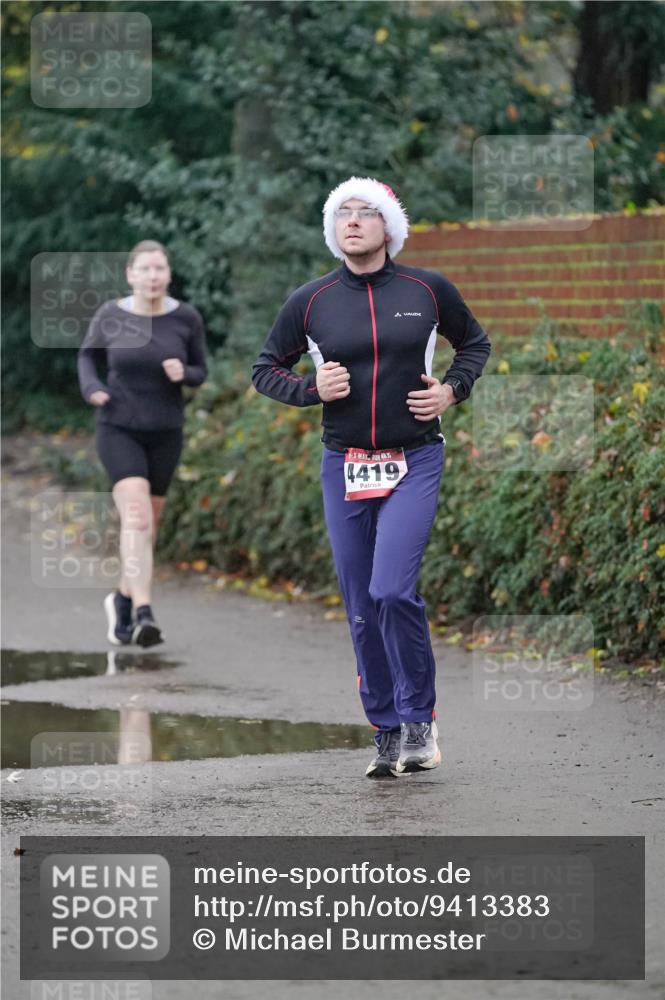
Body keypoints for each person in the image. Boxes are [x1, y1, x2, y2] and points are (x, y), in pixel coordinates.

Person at [252, 176, 491, 778]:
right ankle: (384, 728)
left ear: (390, 228)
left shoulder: (427, 290)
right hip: (346, 463)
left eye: (366, 213)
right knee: (361, 605)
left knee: (391, 591)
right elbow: (264, 368)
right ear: (333, 230)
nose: (353, 222)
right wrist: (311, 389)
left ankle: (419, 720)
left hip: (416, 458)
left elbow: (475, 346)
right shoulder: (310, 301)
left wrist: (451, 392)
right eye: (343, 214)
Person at [78, 240, 208, 647]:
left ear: (168, 275)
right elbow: (86, 357)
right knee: (136, 519)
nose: (153, 276)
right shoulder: (111, 315)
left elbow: (201, 371)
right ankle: (143, 612)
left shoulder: (186, 318)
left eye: (159, 269)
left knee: (147, 527)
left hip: (166, 430)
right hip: (118, 426)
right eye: (145, 269)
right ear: (130, 274)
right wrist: (92, 388)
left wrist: (183, 372)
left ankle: (121, 598)